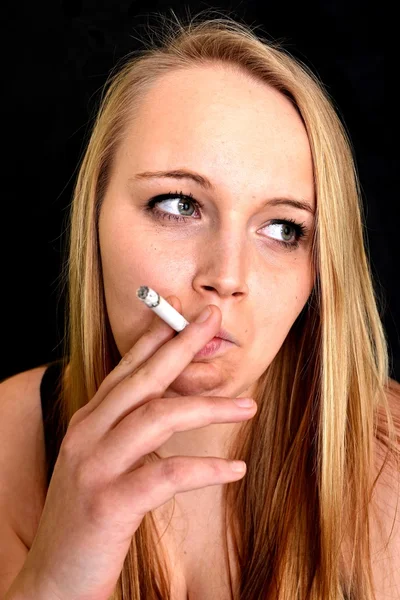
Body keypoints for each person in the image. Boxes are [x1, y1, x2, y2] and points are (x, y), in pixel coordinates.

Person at [1, 11, 398, 600]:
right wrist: (56, 579)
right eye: (178, 205)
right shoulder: (6, 439)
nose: (227, 277)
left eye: (285, 230)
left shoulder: (392, 462)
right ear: (95, 220)